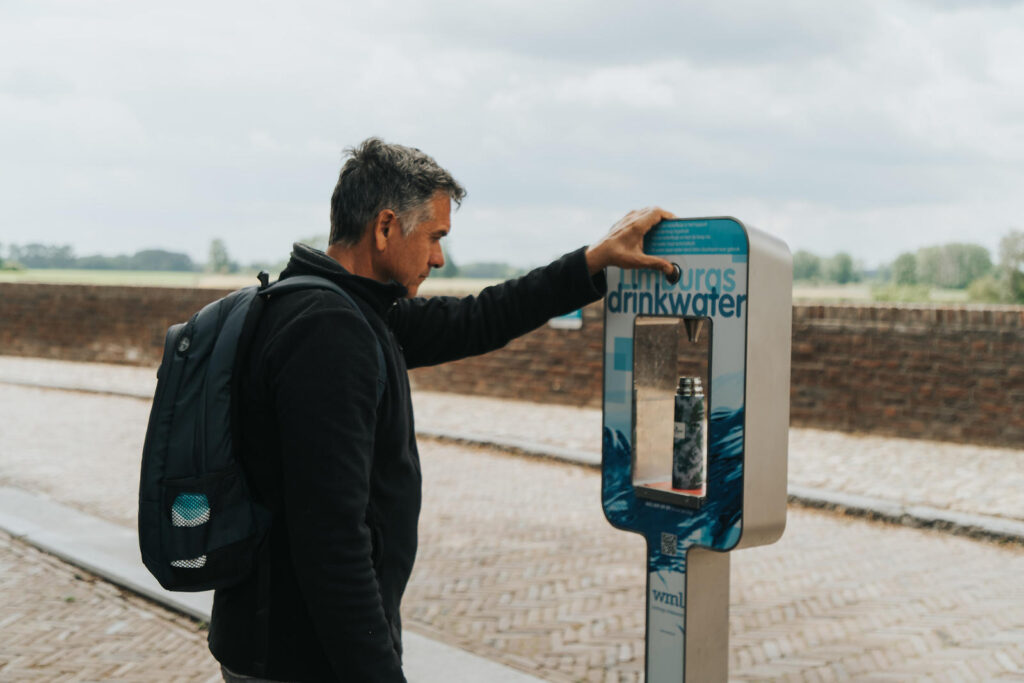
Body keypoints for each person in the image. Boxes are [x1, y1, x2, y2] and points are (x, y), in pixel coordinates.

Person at [208, 138, 675, 682]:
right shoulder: (328, 333)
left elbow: (478, 319)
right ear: (385, 228)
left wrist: (593, 261)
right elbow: (331, 537)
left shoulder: (335, 307)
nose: (438, 257)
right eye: (434, 237)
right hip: (302, 658)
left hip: (285, 643)